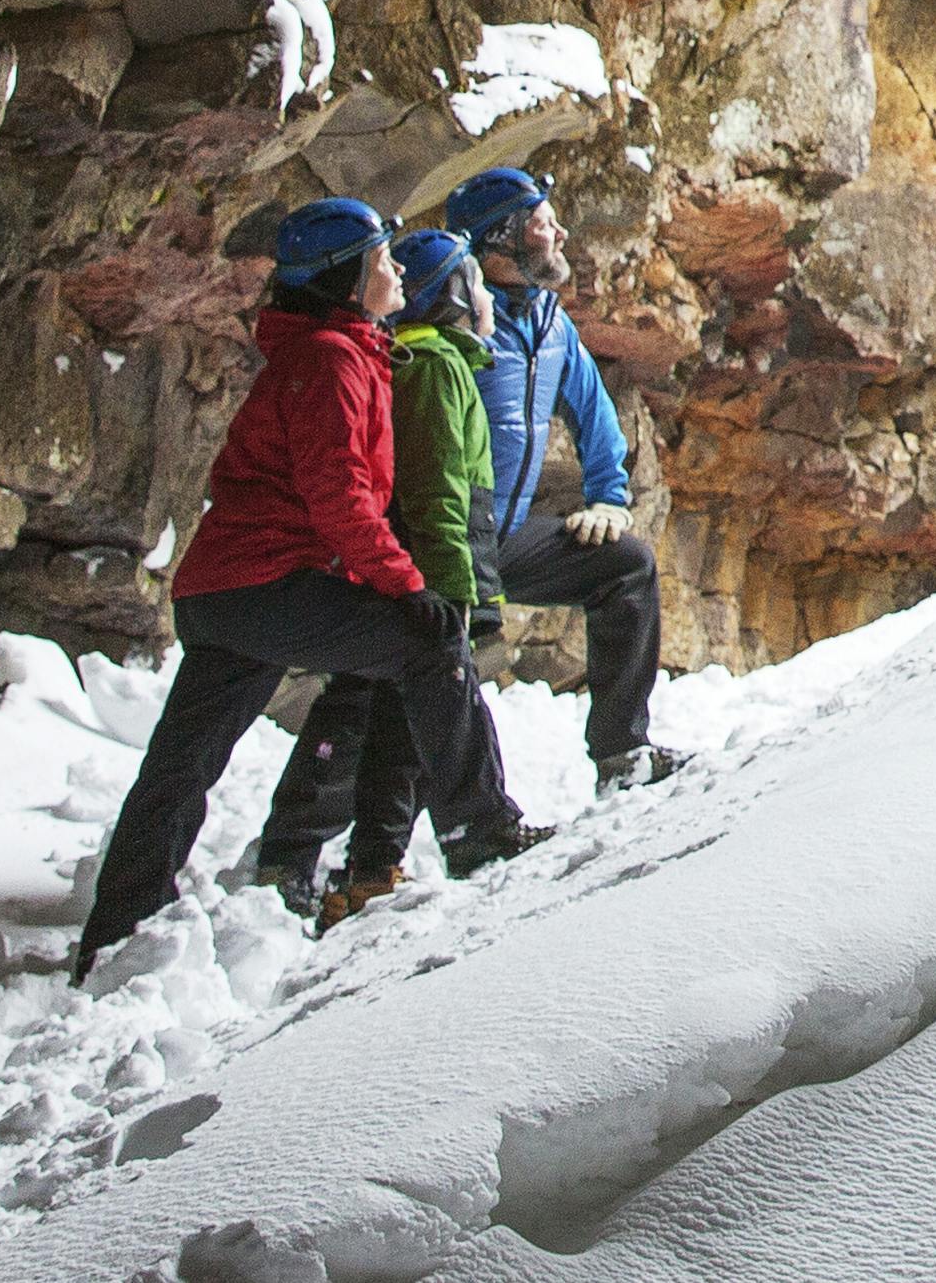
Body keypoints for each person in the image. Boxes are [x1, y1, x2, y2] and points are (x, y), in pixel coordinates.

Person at [67, 199, 508, 976]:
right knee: (427, 643)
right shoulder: (334, 360)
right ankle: (480, 828)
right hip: (268, 584)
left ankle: (117, 927)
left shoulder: (337, 351)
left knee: (183, 761)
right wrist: (408, 588)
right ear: (346, 278)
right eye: (382, 260)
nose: (397, 270)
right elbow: (341, 497)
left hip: (227, 591)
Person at [251, 223, 541, 925]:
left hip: (413, 567)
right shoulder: (435, 368)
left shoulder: (432, 361)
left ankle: (366, 862)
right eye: (469, 282)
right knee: (385, 709)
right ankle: (394, 843)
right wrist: (454, 593)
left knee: (384, 716)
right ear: (451, 294)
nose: (485, 297)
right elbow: (441, 492)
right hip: (422, 569)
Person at [442, 165, 683, 791]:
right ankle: (313, 846)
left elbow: (593, 408)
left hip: (504, 533)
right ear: (502, 241)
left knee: (625, 563)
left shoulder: (548, 319)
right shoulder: (456, 318)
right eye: (545, 224)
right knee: (419, 674)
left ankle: (622, 754)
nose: (562, 233)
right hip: (444, 536)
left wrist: (609, 497)